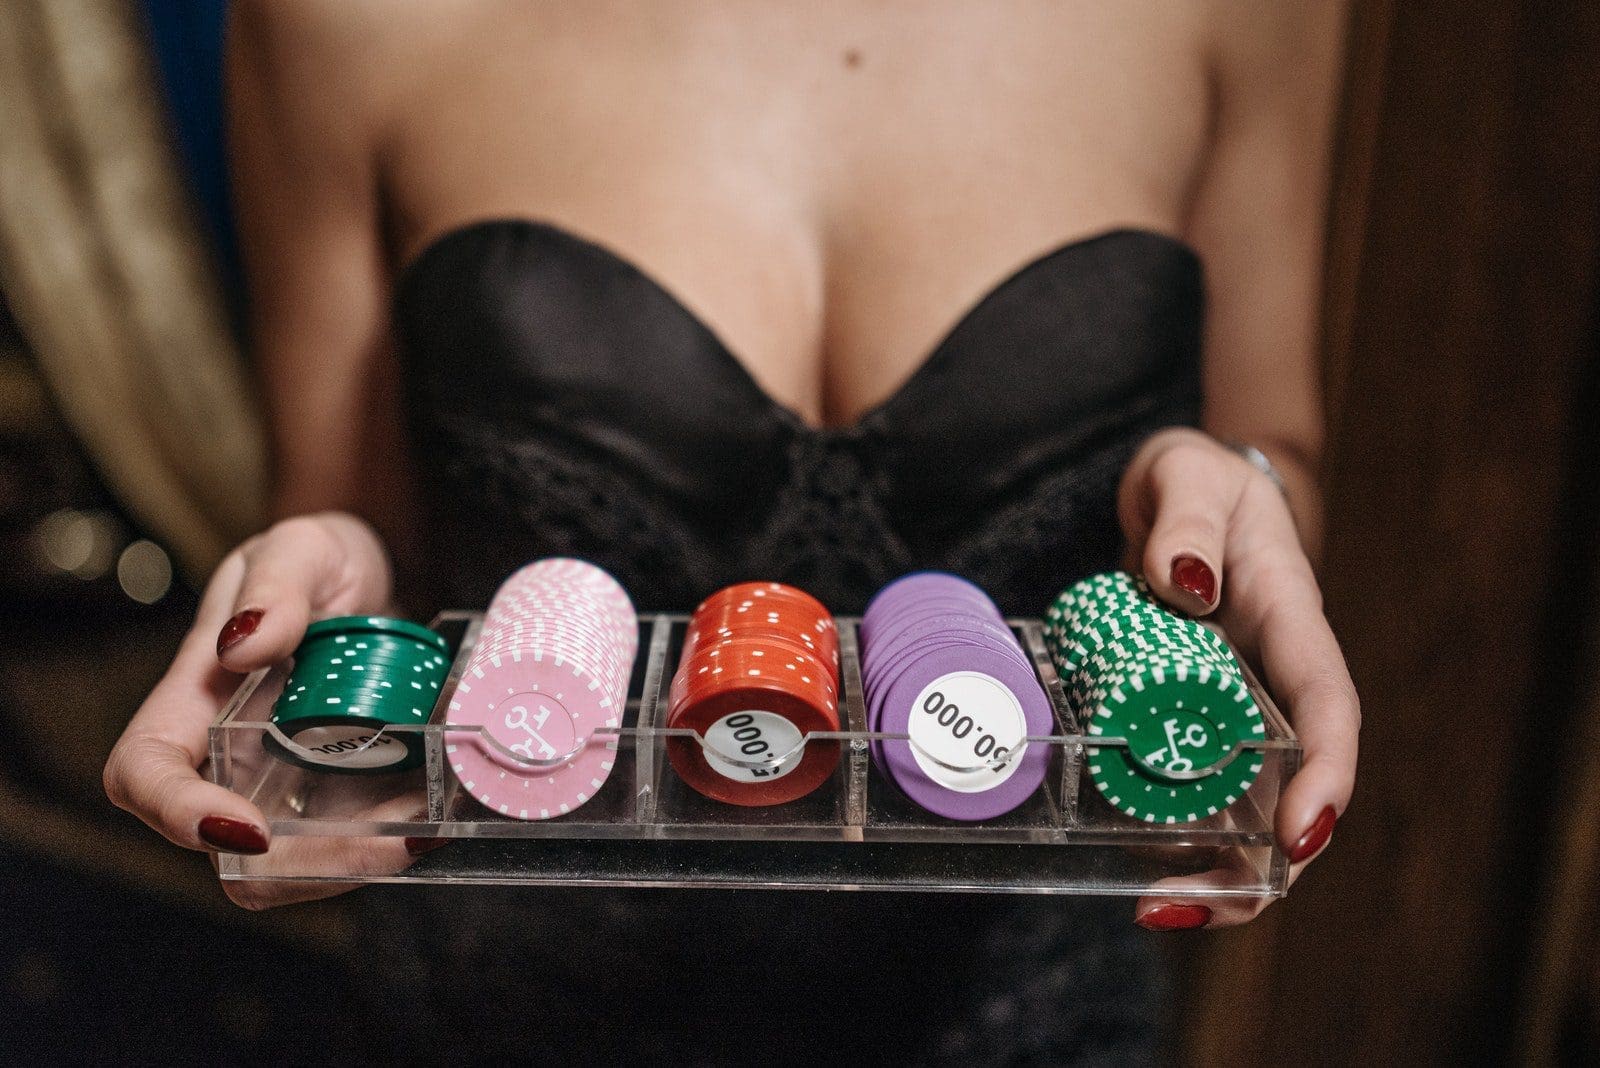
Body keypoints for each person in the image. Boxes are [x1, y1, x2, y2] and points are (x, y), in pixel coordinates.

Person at [104, 2, 1358, 1061]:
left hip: (1033, 1014)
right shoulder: (334, 16)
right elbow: (359, 525)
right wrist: (309, 599)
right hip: (512, 1013)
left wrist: (1230, 486)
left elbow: (1273, 451)